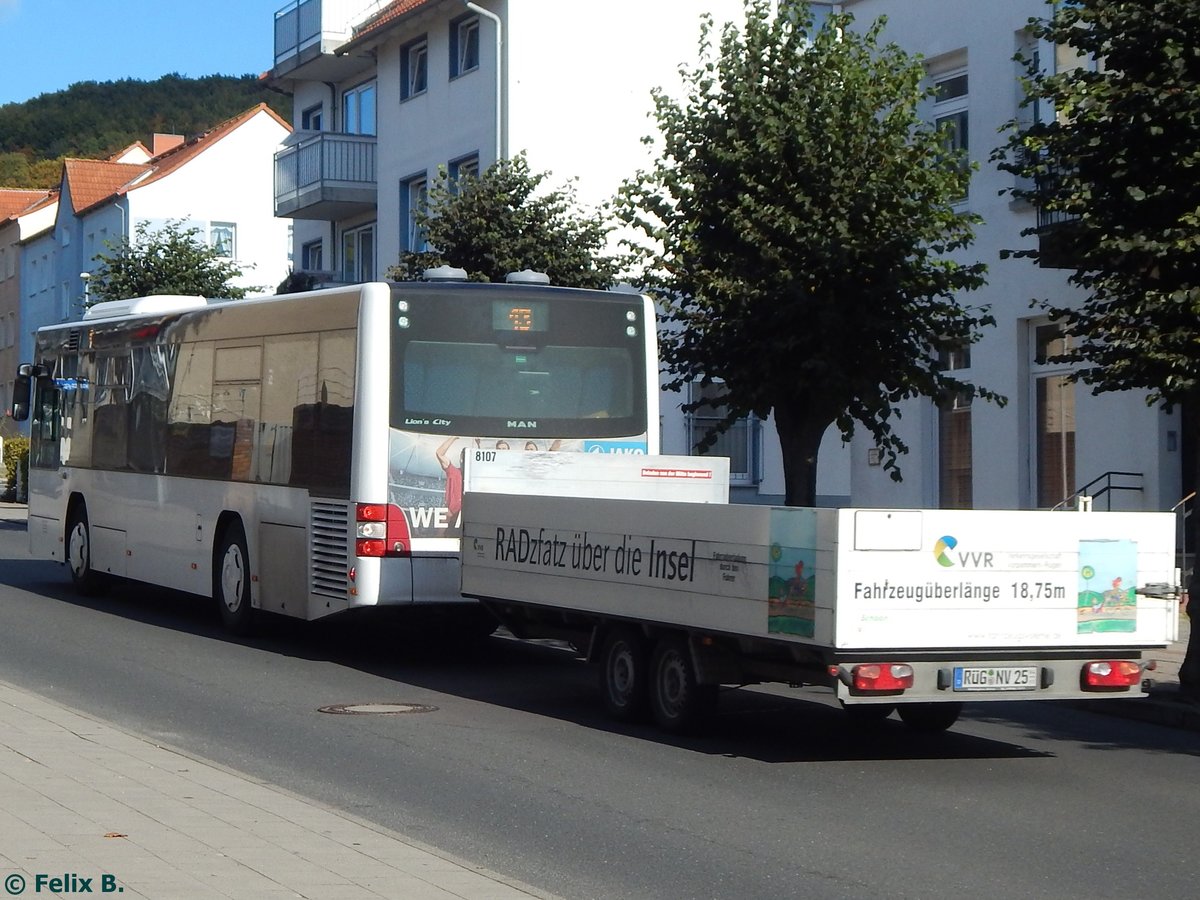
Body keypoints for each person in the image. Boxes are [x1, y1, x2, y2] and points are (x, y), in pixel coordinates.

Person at [435, 436, 464, 525]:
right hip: (451, 515)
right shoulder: (454, 472)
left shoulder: (475, 476)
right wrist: (453, 437)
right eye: (463, 457)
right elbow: (439, 453)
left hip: (467, 516)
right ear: (461, 459)